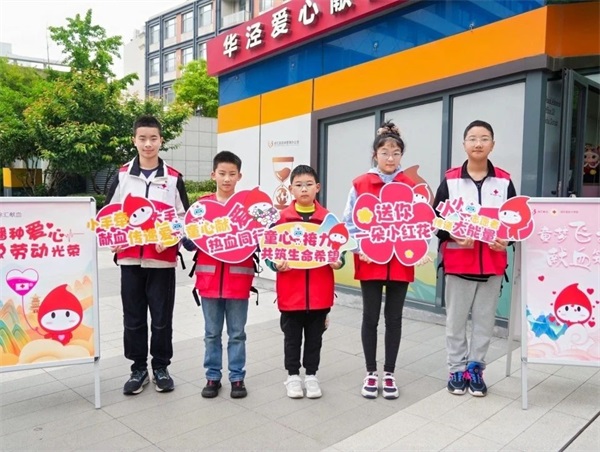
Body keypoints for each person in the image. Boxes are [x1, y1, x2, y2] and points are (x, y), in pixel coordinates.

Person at [106, 115, 190, 395]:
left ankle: (161, 367)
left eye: (153, 138)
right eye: (142, 138)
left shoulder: (173, 178)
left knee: (162, 318)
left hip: (161, 260)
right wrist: (114, 238)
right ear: (134, 140)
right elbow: (110, 213)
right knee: (133, 317)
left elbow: (184, 218)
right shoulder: (122, 175)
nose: (148, 144)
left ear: (161, 141)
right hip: (130, 259)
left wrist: (171, 238)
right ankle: (138, 369)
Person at [433, 119, 516, 397]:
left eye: (484, 138)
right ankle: (456, 369)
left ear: (492, 144)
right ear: (464, 144)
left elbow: (515, 222)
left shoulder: (504, 181)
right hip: (458, 264)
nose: (478, 143)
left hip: (492, 265)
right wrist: (453, 235)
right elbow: (435, 220)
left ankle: (476, 369)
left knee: (484, 322)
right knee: (455, 323)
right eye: (472, 138)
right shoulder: (450, 180)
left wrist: (507, 240)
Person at [342, 121, 415, 400]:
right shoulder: (360, 184)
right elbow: (349, 221)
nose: (390, 158)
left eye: (396, 153)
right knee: (370, 317)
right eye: (385, 152)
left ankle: (390, 373)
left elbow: (419, 223)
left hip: (400, 262)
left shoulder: (410, 186)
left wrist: (417, 249)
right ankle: (371, 372)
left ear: (401, 155)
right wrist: (360, 246)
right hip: (370, 259)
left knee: (394, 319)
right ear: (375, 154)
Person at [266, 165, 343, 399]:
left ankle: (311, 375)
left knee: (314, 339)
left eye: (309, 184)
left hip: (320, 293)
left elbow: (341, 250)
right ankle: (292, 376)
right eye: (298, 185)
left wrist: (338, 262)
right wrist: (275, 264)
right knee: (291, 339)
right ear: (290, 189)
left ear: (317, 187)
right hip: (291, 293)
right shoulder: (280, 220)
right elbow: (269, 251)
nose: (304, 189)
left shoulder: (328, 220)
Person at [182, 151, 255, 399]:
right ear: (213, 174)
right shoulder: (201, 207)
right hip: (209, 280)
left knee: (237, 334)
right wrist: (187, 236)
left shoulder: (248, 208)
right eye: (222, 173)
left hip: (239, 281)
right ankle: (212, 377)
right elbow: (189, 244)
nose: (227, 179)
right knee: (211, 334)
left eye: (232, 174)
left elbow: (259, 242)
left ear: (239, 176)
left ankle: (237, 378)